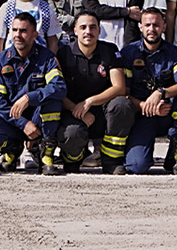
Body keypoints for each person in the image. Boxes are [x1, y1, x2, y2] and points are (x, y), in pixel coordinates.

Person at [0, 13, 67, 173]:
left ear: (34, 35)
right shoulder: (1, 61)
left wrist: (29, 98)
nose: (18, 35)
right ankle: (12, 148)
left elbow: (59, 87)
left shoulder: (47, 58)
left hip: (39, 118)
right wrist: (23, 124)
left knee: (53, 100)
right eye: (15, 30)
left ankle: (46, 154)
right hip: (12, 119)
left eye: (23, 31)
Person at [118, 8, 177, 175]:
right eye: (148, 25)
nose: (152, 29)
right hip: (141, 114)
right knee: (138, 166)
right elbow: (124, 92)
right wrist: (145, 105)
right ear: (140, 27)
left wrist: (161, 93)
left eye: (156, 25)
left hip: (167, 113)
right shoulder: (128, 53)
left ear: (164, 27)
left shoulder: (175, 53)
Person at [53, 11, 129, 174]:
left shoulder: (109, 50)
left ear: (99, 30)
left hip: (102, 111)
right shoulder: (64, 53)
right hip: (73, 112)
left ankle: (111, 160)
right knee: (72, 134)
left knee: (122, 104)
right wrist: (78, 110)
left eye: (93, 27)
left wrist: (89, 102)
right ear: (75, 31)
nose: (88, 31)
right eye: (83, 27)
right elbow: (57, 90)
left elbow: (119, 87)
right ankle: (75, 157)